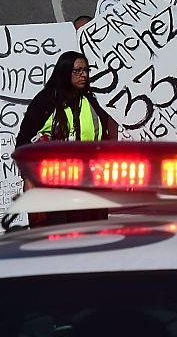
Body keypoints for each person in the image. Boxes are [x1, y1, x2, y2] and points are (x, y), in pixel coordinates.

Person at [16, 51, 117, 227]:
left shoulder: (90, 100)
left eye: (86, 70)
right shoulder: (47, 101)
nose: (84, 75)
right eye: (77, 71)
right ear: (64, 73)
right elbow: (23, 142)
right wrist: (28, 178)